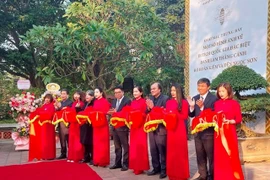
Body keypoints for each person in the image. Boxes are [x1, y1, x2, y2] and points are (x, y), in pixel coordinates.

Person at [187, 78, 217, 180]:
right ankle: (202, 175)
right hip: (197, 132)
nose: (200, 88)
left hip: (208, 132)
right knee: (200, 155)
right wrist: (191, 107)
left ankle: (212, 176)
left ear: (208, 87)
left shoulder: (213, 98)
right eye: (199, 86)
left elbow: (213, 115)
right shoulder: (195, 98)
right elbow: (191, 115)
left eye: (203, 86)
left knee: (211, 156)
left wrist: (202, 108)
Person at [214, 82, 244, 180]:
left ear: (228, 91)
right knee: (220, 157)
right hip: (218, 133)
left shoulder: (234, 103)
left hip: (229, 132)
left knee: (230, 155)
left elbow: (239, 118)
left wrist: (230, 121)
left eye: (223, 91)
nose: (221, 93)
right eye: (219, 91)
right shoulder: (216, 103)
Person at [165, 83, 189, 180]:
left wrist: (174, 114)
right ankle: (172, 173)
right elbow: (166, 114)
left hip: (179, 130)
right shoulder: (169, 102)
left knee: (180, 152)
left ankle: (182, 174)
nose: (172, 92)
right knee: (171, 152)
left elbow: (184, 116)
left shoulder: (184, 102)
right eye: (171, 90)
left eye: (174, 90)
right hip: (171, 130)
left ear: (178, 91)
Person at [146, 82, 169, 179]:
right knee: (153, 149)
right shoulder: (150, 99)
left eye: (154, 89)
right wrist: (148, 108)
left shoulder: (165, 99)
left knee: (162, 149)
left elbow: (164, 113)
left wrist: (153, 108)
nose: (152, 90)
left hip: (161, 128)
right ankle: (156, 168)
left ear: (159, 89)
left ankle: (164, 169)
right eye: (151, 89)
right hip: (152, 127)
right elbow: (147, 112)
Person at [109, 86, 131, 171]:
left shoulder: (127, 101)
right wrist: (111, 113)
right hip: (115, 126)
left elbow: (126, 113)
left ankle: (125, 163)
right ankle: (117, 163)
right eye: (115, 93)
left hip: (123, 126)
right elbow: (113, 111)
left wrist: (116, 113)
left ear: (122, 92)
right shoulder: (114, 101)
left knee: (125, 145)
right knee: (117, 146)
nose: (117, 94)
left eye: (118, 92)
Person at [129, 86, 149, 175]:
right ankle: (135, 165)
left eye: (136, 91)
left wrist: (138, 115)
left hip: (141, 126)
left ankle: (141, 167)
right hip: (133, 127)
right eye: (134, 92)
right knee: (133, 146)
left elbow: (145, 113)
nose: (135, 93)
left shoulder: (144, 102)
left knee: (141, 146)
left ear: (141, 93)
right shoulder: (132, 102)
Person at [29, 93, 56, 161]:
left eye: (48, 98)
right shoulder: (44, 106)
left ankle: (50, 155)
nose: (47, 99)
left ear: (51, 99)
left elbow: (50, 115)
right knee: (43, 141)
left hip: (48, 126)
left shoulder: (52, 106)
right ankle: (44, 155)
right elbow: (39, 111)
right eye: (46, 98)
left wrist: (40, 114)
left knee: (49, 141)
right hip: (43, 126)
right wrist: (34, 113)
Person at [92, 87, 111, 167]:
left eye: (97, 92)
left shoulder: (105, 101)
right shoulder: (95, 101)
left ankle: (103, 161)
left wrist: (98, 113)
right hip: (96, 125)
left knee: (103, 143)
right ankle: (96, 160)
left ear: (101, 93)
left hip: (102, 124)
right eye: (95, 92)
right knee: (96, 143)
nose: (95, 94)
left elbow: (106, 112)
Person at [67, 90, 85, 162]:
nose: (76, 96)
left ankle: (78, 156)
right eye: (75, 94)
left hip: (78, 123)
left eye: (77, 94)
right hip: (72, 124)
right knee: (72, 140)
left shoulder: (82, 104)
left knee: (77, 140)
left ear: (80, 96)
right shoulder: (73, 103)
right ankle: (71, 156)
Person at [55, 89, 72, 159]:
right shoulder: (60, 102)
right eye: (62, 94)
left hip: (67, 123)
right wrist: (56, 108)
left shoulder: (70, 102)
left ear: (67, 95)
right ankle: (63, 153)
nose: (63, 95)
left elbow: (69, 111)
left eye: (64, 94)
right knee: (62, 138)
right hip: (60, 123)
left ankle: (71, 153)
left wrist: (60, 107)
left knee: (68, 139)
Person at [79, 90, 95, 164]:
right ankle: (86, 157)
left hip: (90, 126)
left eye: (89, 95)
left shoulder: (93, 103)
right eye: (86, 95)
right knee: (84, 141)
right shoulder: (85, 104)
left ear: (92, 97)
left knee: (90, 142)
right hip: (83, 125)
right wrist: (78, 108)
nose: (87, 96)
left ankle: (92, 157)